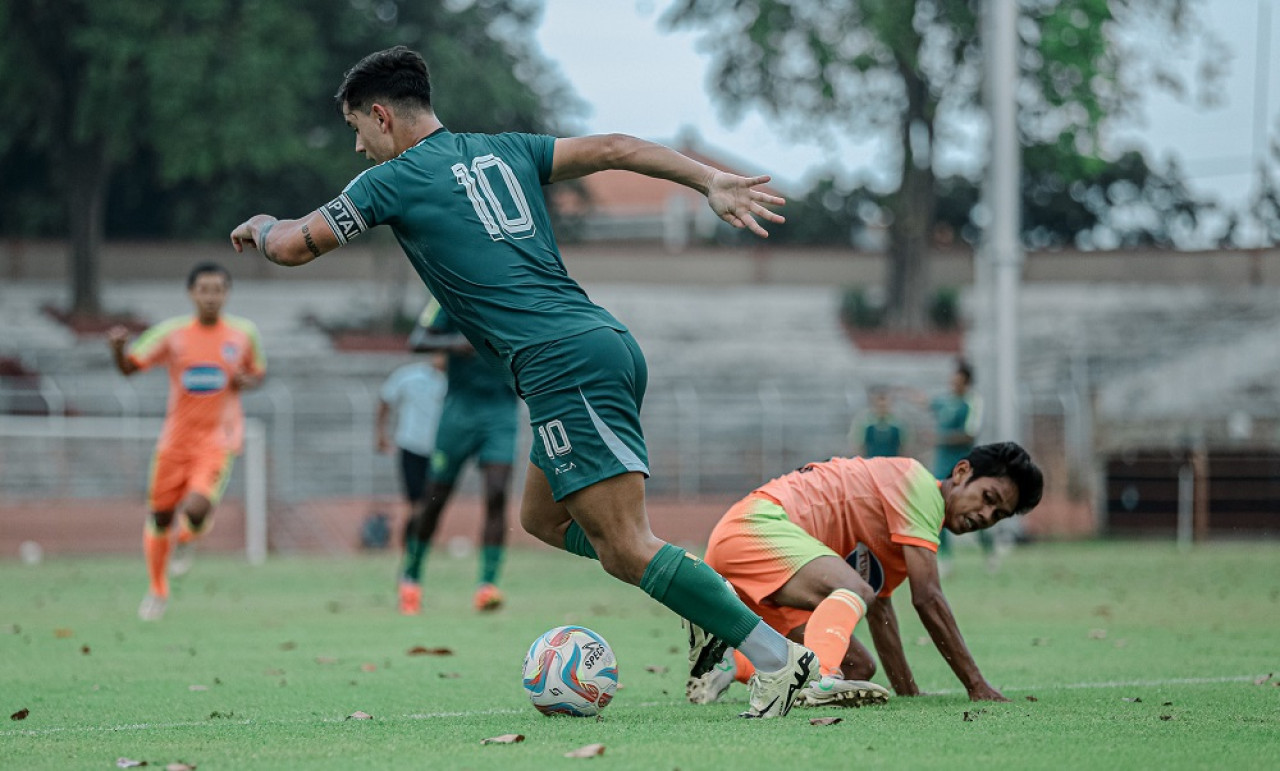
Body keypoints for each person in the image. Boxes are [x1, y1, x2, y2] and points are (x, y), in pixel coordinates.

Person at [229, 46, 816, 717]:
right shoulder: (506, 149)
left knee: (628, 547)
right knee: (542, 518)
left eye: (357, 129)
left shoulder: (389, 180)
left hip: (562, 363)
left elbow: (292, 245)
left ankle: (778, 659)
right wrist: (709, 180)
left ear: (382, 116)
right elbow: (616, 147)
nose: (358, 147)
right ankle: (700, 599)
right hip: (593, 346)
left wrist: (262, 224)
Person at [686, 442, 1043, 708]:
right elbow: (928, 597)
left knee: (858, 667)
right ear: (962, 472)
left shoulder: (903, 532)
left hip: (754, 559)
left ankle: (727, 664)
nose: (986, 515)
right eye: (988, 497)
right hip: (756, 527)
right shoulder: (919, 486)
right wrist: (976, 684)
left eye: (998, 515)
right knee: (854, 592)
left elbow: (880, 611)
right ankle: (823, 679)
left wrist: (909, 693)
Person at [107, 262, 266, 621]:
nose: (211, 297)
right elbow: (130, 367)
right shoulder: (172, 334)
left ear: (227, 293)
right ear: (192, 293)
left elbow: (258, 373)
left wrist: (248, 381)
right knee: (161, 515)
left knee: (196, 508)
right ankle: (157, 589)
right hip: (175, 441)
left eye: (218, 290)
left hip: (218, 439)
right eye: (204, 290)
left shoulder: (243, 333)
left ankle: (187, 539)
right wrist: (117, 350)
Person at [397, 298, 520, 615]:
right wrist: (456, 343)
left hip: (501, 412)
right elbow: (418, 340)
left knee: (497, 492)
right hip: (459, 413)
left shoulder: (517, 293)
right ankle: (411, 576)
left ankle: (487, 586)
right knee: (435, 498)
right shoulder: (449, 293)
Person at [375, 351, 447, 609]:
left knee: (430, 508)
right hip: (411, 448)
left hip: (440, 452)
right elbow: (385, 401)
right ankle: (409, 561)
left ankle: (415, 560)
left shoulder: (457, 382)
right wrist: (380, 434)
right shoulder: (409, 376)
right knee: (415, 506)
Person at [851, 386, 907, 458]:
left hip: (892, 462)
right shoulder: (865, 424)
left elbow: (904, 448)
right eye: (879, 406)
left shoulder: (899, 425)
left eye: (884, 406)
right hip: (870, 462)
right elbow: (859, 447)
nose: (882, 409)